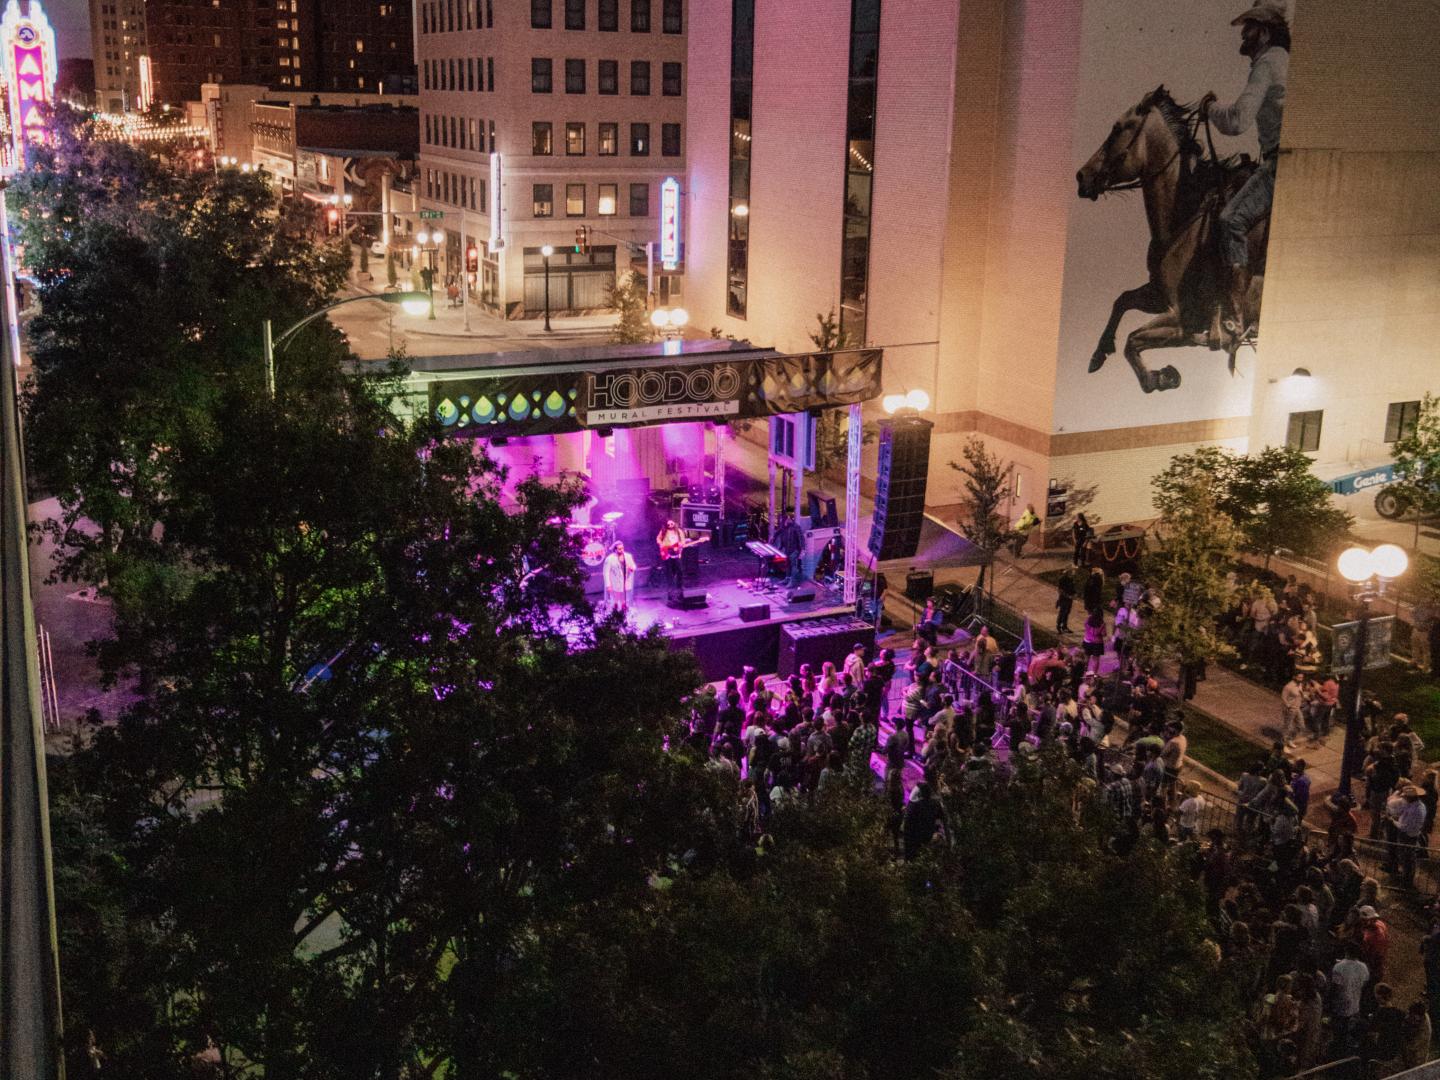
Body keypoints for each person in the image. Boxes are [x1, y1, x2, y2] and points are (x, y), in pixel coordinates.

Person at [1200, 1, 1290, 345]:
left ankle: (1235, 311)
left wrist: (1210, 108)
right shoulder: (1282, 60)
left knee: (1230, 220)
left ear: (1263, 33)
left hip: (1279, 163)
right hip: (1280, 158)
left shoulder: (1267, 63)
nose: (1243, 33)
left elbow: (1237, 120)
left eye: (1248, 27)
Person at [600, 541, 636, 613]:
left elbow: (633, 565)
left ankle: (624, 609)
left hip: (625, 580)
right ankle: (615, 611)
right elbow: (606, 572)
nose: (622, 550)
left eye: (622, 548)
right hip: (615, 582)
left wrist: (632, 568)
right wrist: (608, 585)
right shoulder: (610, 559)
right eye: (619, 549)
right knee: (615, 598)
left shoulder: (628, 556)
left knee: (624, 597)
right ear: (615, 550)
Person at [656, 519, 687, 591]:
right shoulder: (664, 531)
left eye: (671, 524)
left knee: (679, 570)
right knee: (669, 571)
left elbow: (683, 541)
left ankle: (680, 586)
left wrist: (681, 544)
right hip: (668, 553)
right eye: (668, 525)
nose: (670, 526)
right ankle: (670, 587)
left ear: (674, 523)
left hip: (676, 553)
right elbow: (658, 539)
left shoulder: (679, 531)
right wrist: (661, 545)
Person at [1055, 569, 1076, 634]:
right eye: (1072, 571)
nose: (1073, 573)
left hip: (1070, 599)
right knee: (1062, 613)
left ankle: (1064, 626)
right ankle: (1058, 626)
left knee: (1067, 612)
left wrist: (1075, 593)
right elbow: (1060, 590)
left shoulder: (1071, 579)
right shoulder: (1062, 579)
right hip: (1064, 599)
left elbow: (1072, 588)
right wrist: (1068, 596)